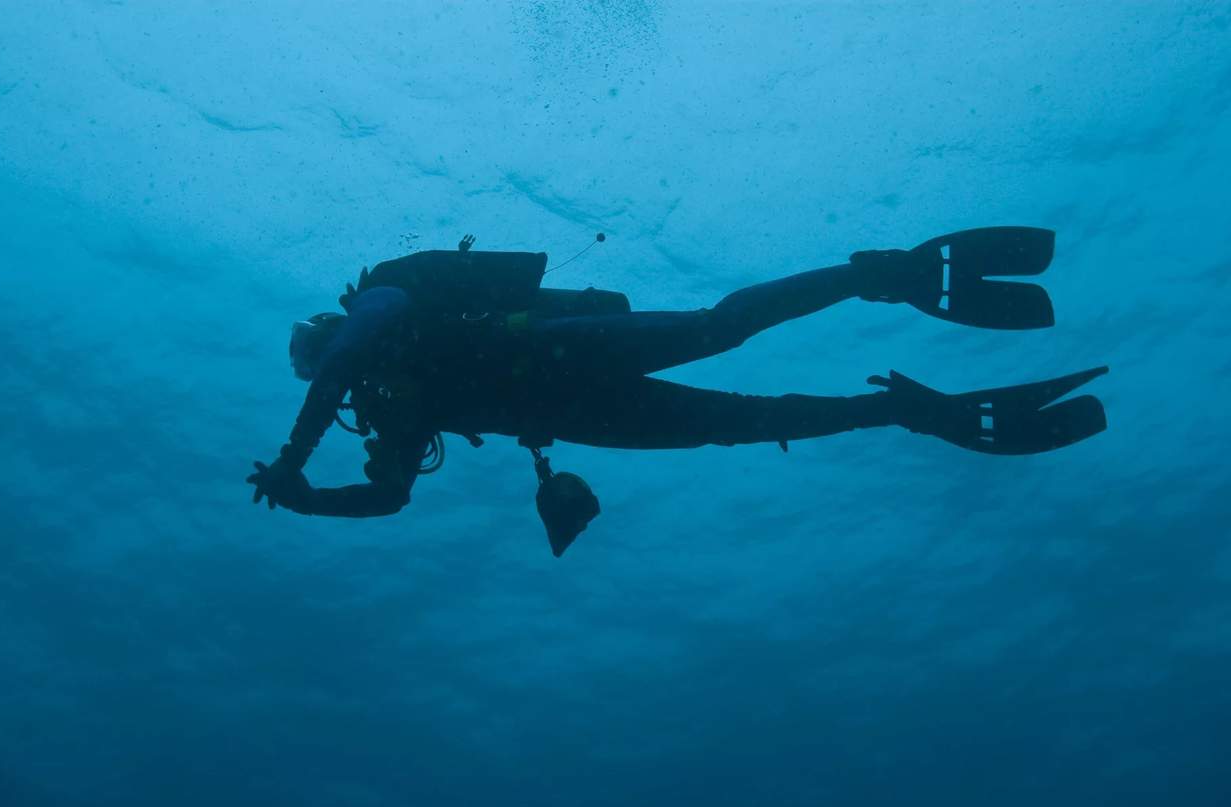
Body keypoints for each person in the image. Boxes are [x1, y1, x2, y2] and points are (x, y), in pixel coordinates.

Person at [248, 227, 1107, 552]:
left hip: (560, 354)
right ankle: (906, 410)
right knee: (736, 424)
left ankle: (877, 274)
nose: (323, 363)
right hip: (571, 413)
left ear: (329, 326)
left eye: (315, 347)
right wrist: (306, 500)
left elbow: (345, 353)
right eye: (315, 360)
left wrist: (292, 458)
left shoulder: (381, 304)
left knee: (714, 326)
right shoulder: (385, 402)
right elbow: (388, 498)